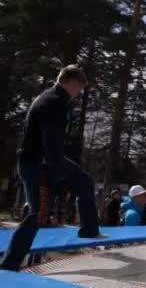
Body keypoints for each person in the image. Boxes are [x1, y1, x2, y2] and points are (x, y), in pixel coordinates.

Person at [0, 65, 105, 271]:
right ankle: (9, 264)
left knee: (83, 183)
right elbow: (52, 143)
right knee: (37, 214)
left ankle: (89, 230)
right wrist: (57, 177)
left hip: (37, 160)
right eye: (79, 90)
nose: (77, 96)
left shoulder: (46, 97)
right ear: (73, 84)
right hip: (40, 163)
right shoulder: (57, 102)